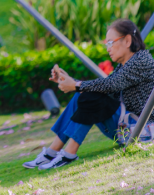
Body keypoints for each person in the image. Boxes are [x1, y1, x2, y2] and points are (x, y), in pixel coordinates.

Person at [24, 19, 154, 171]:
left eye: (110, 43)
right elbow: (107, 87)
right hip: (126, 126)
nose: (108, 49)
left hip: (141, 131)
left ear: (127, 40)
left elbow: (110, 85)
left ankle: (68, 154)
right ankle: (52, 152)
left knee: (93, 96)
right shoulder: (124, 65)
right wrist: (71, 82)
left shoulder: (141, 60)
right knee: (84, 95)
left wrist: (75, 85)